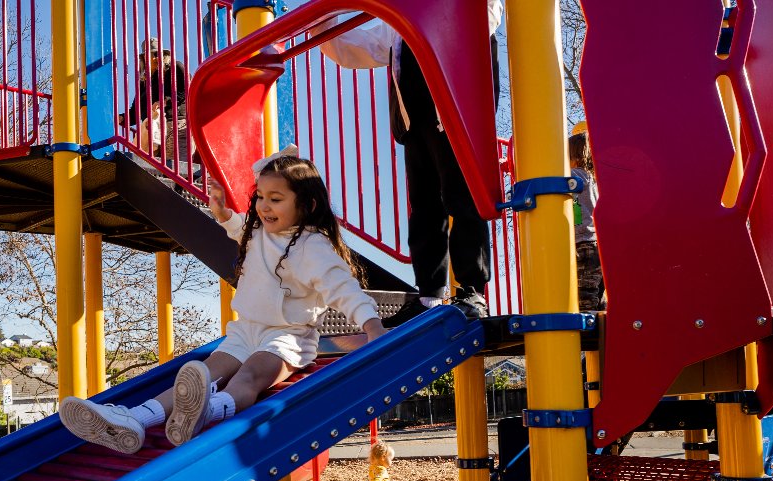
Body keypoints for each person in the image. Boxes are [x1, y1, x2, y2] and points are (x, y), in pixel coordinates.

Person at [58, 147, 389, 452]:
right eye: (260, 197)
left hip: (288, 336)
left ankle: (207, 411)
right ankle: (134, 419)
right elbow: (239, 227)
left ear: (308, 205)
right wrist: (222, 214)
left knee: (250, 377)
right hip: (246, 331)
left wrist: (372, 326)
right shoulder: (258, 232)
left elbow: (342, 288)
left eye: (276, 199)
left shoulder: (312, 246)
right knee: (201, 375)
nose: (264, 206)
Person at [314, 1, 504, 323]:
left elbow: (484, 18)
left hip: (458, 113)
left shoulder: (466, 8)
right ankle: (429, 295)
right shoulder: (399, 21)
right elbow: (354, 49)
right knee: (425, 208)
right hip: (415, 122)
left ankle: (473, 290)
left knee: (464, 199)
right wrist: (323, 18)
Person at [120, 38, 191, 162]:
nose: (154, 58)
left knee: (175, 166)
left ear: (164, 55)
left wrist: (165, 101)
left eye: (157, 54)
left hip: (176, 124)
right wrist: (122, 118)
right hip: (154, 131)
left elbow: (186, 90)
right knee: (154, 168)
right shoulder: (144, 82)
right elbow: (136, 112)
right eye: (150, 55)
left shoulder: (175, 68)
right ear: (144, 59)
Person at [570, 129, 605, 311]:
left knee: (584, 295)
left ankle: (589, 324)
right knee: (595, 292)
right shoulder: (594, 179)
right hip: (598, 244)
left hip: (583, 244)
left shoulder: (572, 176)